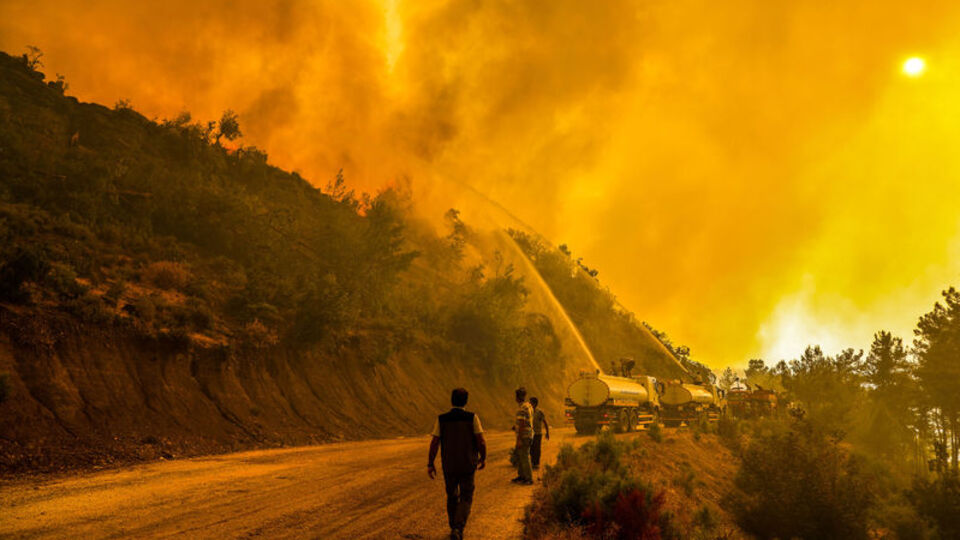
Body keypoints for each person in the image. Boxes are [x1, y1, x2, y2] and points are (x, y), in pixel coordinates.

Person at [428, 388, 486, 540]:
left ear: (451, 400)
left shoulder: (442, 419)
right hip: (468, 464)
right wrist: (483, 457)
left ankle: (453, 525)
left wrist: (430, 463)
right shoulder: (472, 418)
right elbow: (481, 441)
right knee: (466, 496)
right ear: (466, 401)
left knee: (452, 495)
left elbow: (434, 442)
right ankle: (458, 528)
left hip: (449, 465)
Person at [512, 387, 534, 485]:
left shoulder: (522, 408)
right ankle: (522, 476)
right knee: (521, 456)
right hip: (529, 434)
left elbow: (522, 424)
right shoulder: (528, 406)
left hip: (524, 436)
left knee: (524, 456)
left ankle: (528, 478)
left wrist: (519, 439)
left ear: (517, 397)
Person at [529, 397, 549, 469]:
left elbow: (545, 422)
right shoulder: (528, 412)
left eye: (530, 403)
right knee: (531, 449)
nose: (529, 404)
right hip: (530, 434)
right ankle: (532, 462)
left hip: (538, 434)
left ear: (535, 404)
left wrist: (547, 432)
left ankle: (536, 463)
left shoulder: (539, 412)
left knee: (537, 449)